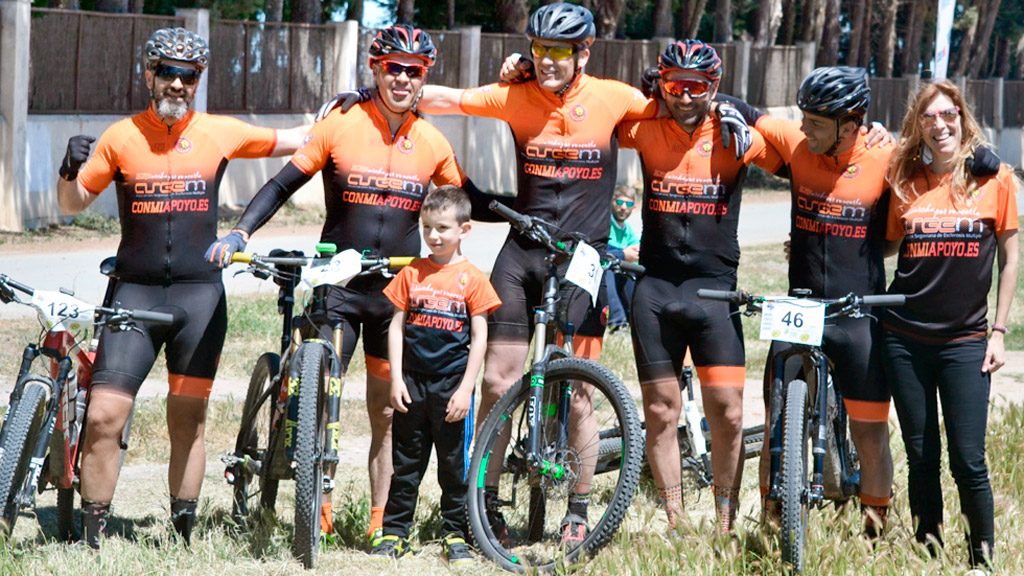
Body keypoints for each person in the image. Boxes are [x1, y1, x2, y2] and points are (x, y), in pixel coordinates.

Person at [206, 25, 506, 542]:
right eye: (394, 68)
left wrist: (525, 215)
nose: (403, 79)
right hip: (339, 286)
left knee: (388, 410)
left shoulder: (432, 140)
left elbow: (469, 199)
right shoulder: (341, 123)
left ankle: (380, 522)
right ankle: (316, 509)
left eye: (414, 71)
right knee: (319, 397)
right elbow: (282, 184)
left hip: (394, 295)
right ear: (376, 69)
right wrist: (240, 231)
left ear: (424, 78)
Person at [55, 27, 311, 548]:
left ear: (198, 82)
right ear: (149, 75)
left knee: (188, 420)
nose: (177, 84)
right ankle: (92, 537)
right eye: (168, 72)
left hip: (200, 297)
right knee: (104, 415)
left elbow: (302, 138)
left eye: (188, 76)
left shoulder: (219, 132)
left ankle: (182, 534)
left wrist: (354, 105)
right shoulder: (121, 137)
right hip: (134, 294)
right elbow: (72, 203)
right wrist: (69, 168)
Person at [719, 67, 898, 534]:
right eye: (803, 118)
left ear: (851, 123)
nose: (804, 128)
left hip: (859, 312)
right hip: (799, 304)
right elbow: (742, 109)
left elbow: (900, 227)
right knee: (776, 418)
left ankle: (874, 532)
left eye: (816, 122)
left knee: (870, 431)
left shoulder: (886, 158)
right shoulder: (798, 143)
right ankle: (772, 522)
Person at [617, 40, 783, 533]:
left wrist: (744, 112)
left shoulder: (736, 132)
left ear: (714, 86)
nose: (685, 96)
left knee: (728, 414)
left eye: (697, 86)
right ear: (661, 83)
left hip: (715, 292)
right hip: (656, 289)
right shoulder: (645, 127)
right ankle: (676, 520)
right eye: (674, 85)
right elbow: (587, 116)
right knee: (660, 412)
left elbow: (801, 154)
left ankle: (724, 521)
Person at [882, 80, 1018, 572]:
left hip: (965, 342)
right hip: (904, 339)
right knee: (921, 456)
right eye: (929, 117)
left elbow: (1010, 256)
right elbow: (886, 245)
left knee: (968, 458)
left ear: (962, 118)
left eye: (948, 114)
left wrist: (998, 331)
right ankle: (929, 554)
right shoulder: (905, 179)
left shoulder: (994, 178)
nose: (940, 125)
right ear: (917, 126)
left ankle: (982, 560)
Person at [371, 185, 501, 565]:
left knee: (453, 467)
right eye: (427, 227)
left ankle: (455, 534)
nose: (433, 235)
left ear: (464, 230)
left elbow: (480, 338)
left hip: (451, 387)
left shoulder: (473, 278)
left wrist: (465, 389)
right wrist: (396, 379)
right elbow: (396, 328)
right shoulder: (411, 273)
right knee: (406, 464)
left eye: (443, 228)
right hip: (411, 384)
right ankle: (395, 534)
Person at [605, 186, 640, 332]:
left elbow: (636, 253)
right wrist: (623, 254)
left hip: (621, 274)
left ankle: (636, 320)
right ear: (612, 202)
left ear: (634, 208)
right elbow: (601, 251)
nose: (624, 207)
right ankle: (617, 323)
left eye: (629, 204)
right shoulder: (605, 224)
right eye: (620, 202)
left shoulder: (629, 231)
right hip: (604, 272)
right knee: (608, 270)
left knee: (633, 272)